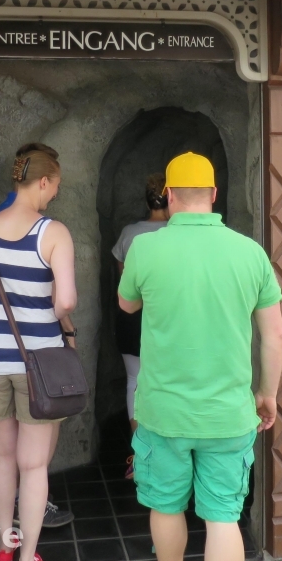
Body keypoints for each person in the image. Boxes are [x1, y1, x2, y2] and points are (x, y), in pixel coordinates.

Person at [118, 153, 282, 561]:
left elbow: (127, 304)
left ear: (169, 195)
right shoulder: (250, 252)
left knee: (166, 508)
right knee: (223, 517)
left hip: (163, 412)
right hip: (228, 413)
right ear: (213, 193)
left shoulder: (144, 247)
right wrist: (267, 394)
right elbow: (275, 335)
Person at [0, 144, 79, 561]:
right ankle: (28, 557)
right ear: (44, 181)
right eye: (56, 186)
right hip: (39, 362)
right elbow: (65, 301)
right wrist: (59, 322)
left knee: (1, 454)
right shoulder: (54, 233)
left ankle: (4, 545)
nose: (55, 194)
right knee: (33, 465)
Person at [111, 173, 168, 479]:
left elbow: (124, 282)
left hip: (132, 317)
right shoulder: (178, 233)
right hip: (168, 319)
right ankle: (169, 457)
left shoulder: (130, 233)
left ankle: (140, 455)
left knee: (135, 381)